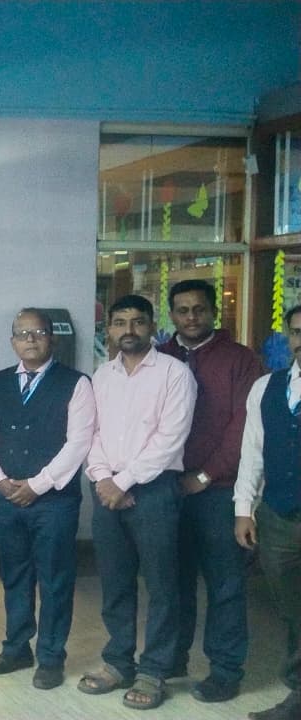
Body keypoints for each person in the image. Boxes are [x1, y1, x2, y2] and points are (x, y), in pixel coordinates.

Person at [77, 295, 196, 710]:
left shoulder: (175, 373)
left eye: (138, 321)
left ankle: (155, 669)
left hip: (155, 490)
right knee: (115, 583)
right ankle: (118, 661)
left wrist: (122, 481)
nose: (128, 330)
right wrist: (103, 479)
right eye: (120, 322)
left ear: (152, 325)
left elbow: (170, 439)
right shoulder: (101, 375)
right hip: (107, 490)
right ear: (109, 328)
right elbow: (90, 432)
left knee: (162, 585)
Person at [156, 279, 263, 703]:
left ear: (214, 312)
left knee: (225, 585)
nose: (191, 317)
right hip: (166, 489)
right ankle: (172, 658)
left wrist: (205, 475)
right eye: (182, 310)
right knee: (171, 582)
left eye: (199, 309)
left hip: (219, 491)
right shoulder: (159, 357)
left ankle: (225, 670)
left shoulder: (241, 359)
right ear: (171, 314)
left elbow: (245, 429)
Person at [0, 309, 95, 690]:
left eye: (38, 332)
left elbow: (79, 442)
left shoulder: (76, 383)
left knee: (55, 580)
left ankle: (50, 658)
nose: (30, 339)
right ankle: (16, 649)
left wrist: (38, 485)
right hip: (6, 497)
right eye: (22, 333)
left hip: (54, 502)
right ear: (13, 341)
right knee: (15, 576)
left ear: (52, 338)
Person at [234, 304, 301, 720]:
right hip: (278, 517)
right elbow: (252, 452)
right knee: (293, 611)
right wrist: (244, 509)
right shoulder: (266, 387)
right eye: (297, 332)